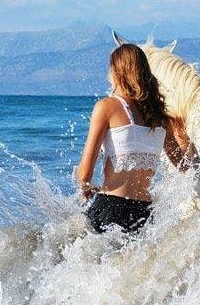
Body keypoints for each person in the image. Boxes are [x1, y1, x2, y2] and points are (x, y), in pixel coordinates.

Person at [76, 43, 191, 233]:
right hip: (145, 213)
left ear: (117, 72)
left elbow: (84, 173)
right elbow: (185, 166)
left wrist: (85, 188)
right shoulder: (160, 117)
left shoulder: (107, 106)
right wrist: (182, 132)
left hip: (111, 208)